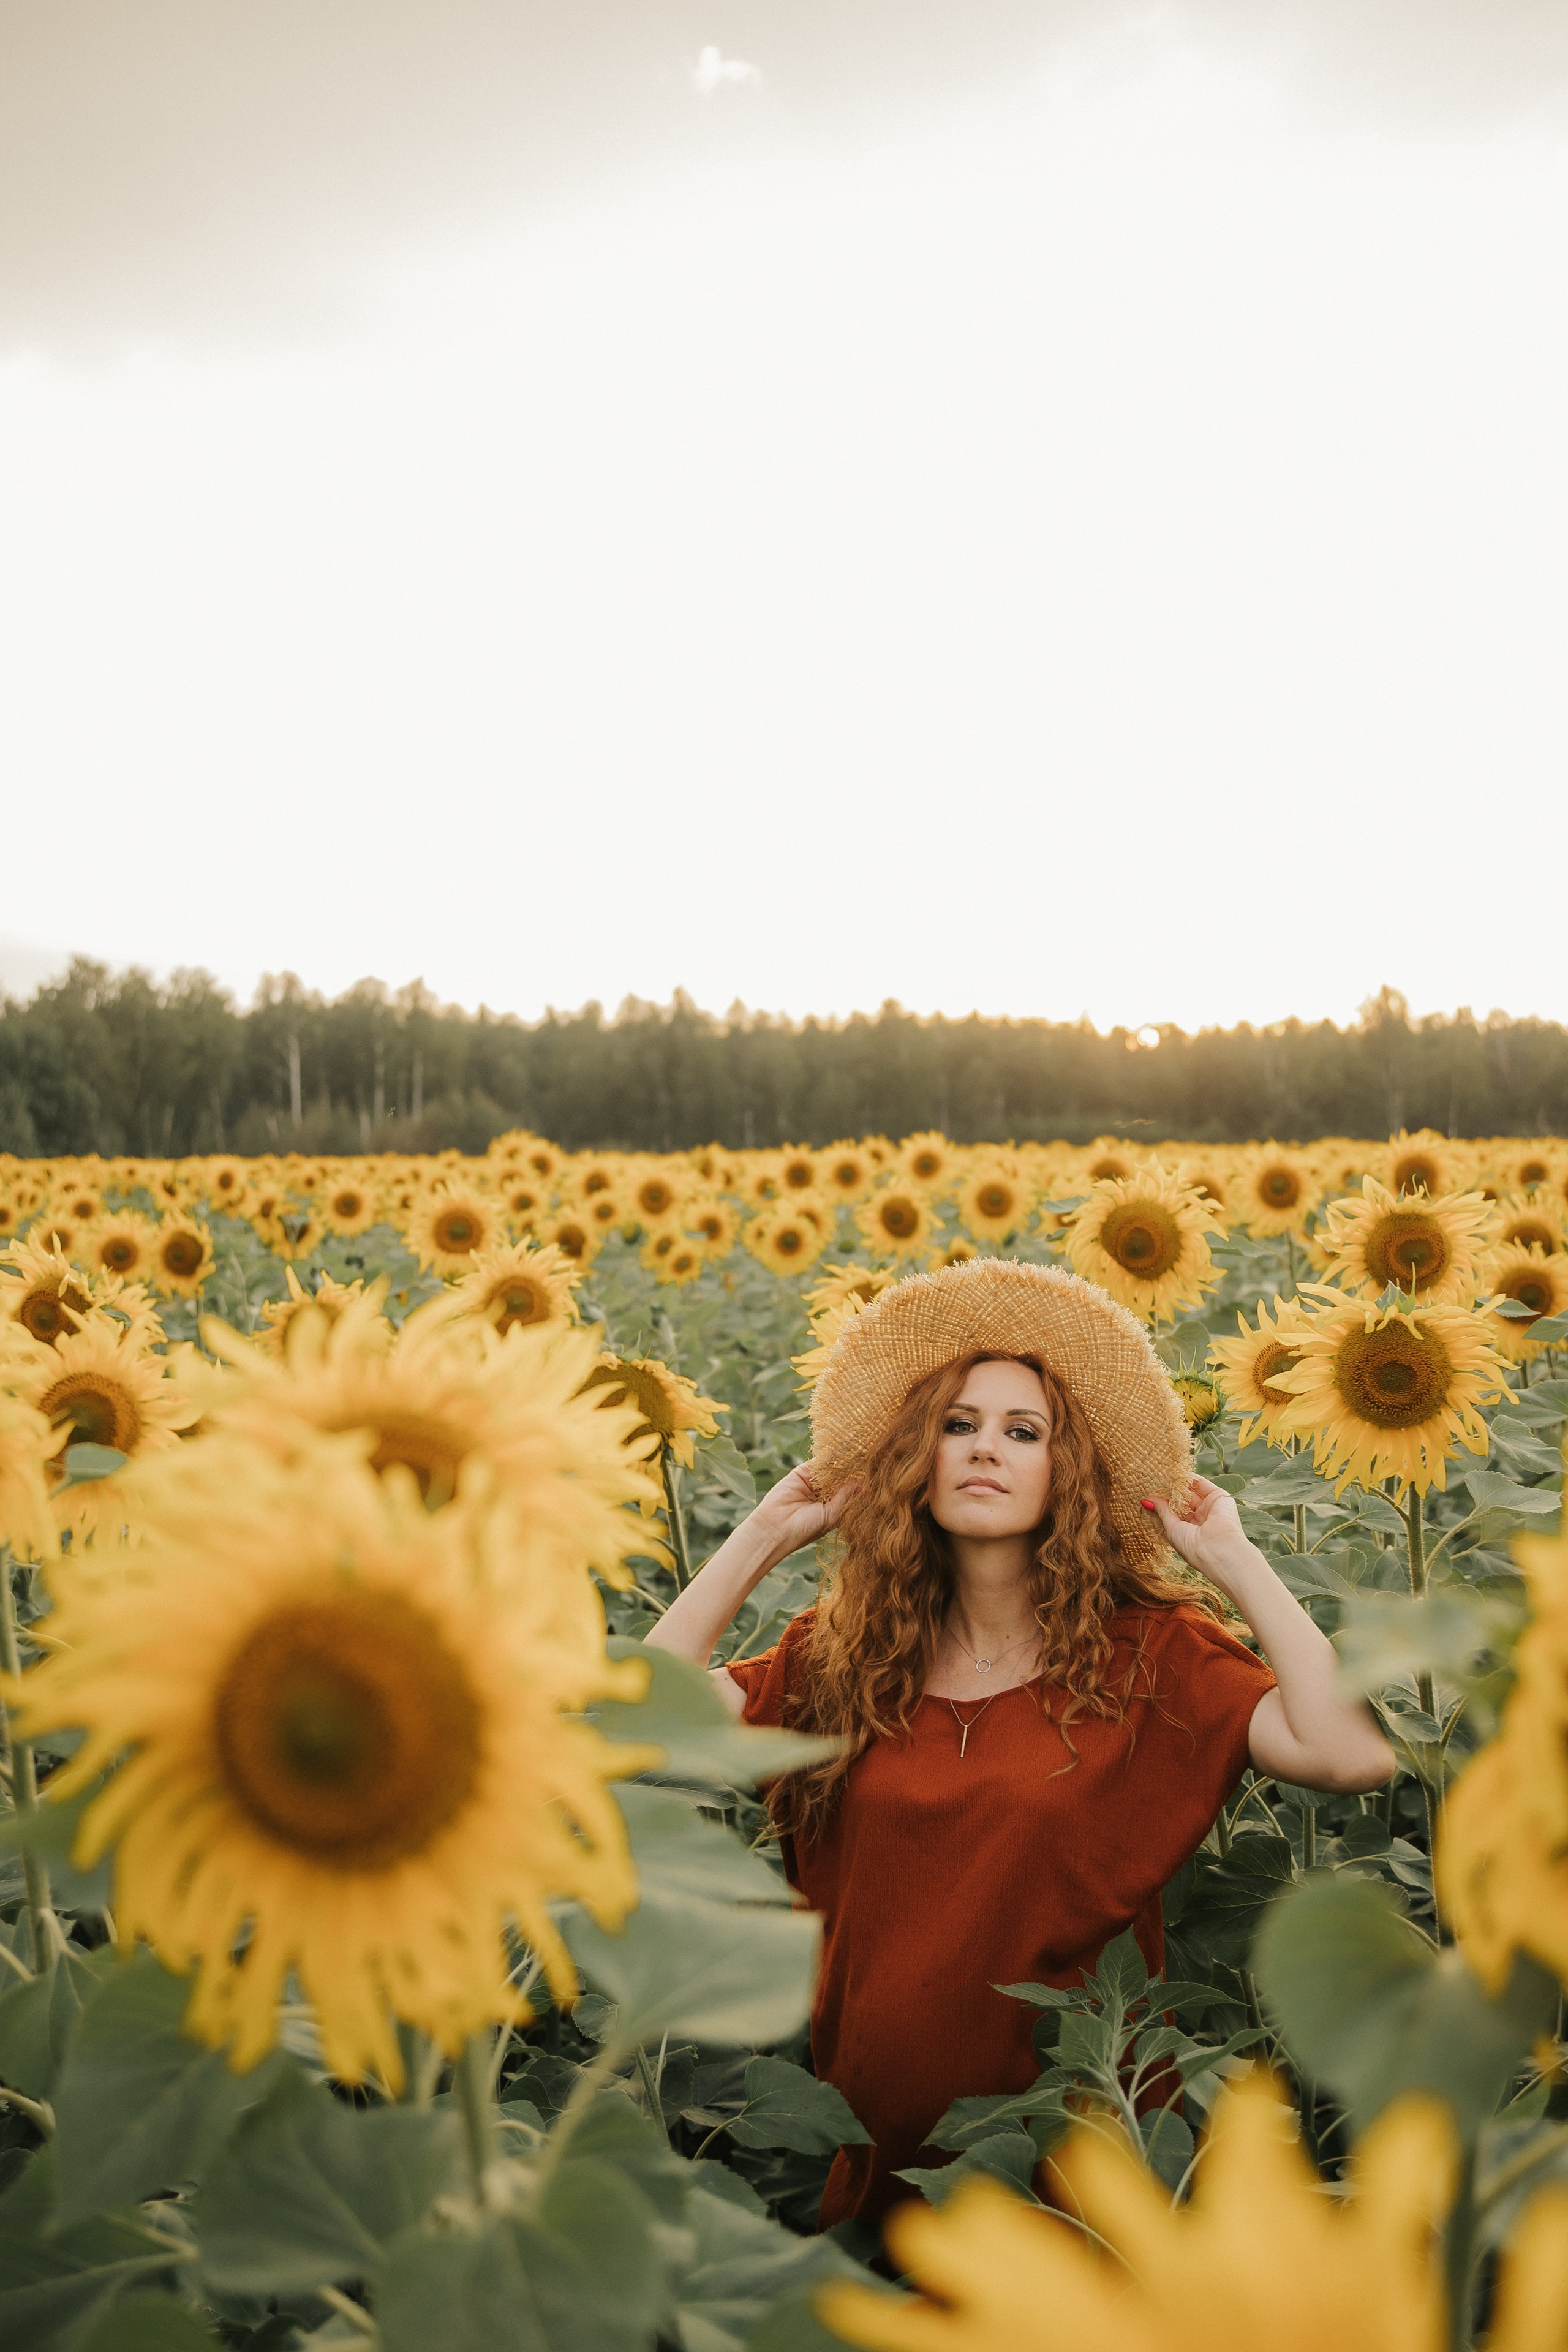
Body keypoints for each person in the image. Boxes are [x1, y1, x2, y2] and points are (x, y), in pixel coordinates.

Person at [646, 1257, 1393, 2230]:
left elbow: (1352, 1755)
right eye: (957, 1426)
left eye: (1022, 1431)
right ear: (919, 1458)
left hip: (1089, 2158)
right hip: (884, 2160)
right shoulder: (841, 1661)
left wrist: (1234, 1560)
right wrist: (763, 1534)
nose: (984, 1449)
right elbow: (645, 1721)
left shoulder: (1149, 1656)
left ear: (1065, 1469)